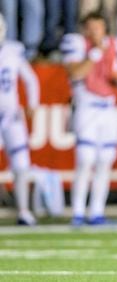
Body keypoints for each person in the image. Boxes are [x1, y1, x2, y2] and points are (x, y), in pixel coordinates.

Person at [60, 12, 117, 226]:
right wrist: (95, 53)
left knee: (105, 160)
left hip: (107, 107)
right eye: (91, 28)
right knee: (85, 159)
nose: (95, 32)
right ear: (84, 29)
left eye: (99, 27)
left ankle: (96, 212)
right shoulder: (76, 44)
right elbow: (76, 73)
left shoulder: (112, 45)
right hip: (86, 107)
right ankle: (78, 212)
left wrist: (116, 74)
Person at [0, 13, 40, 225]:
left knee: (21, 163)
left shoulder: (13, 50)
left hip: (11, 114)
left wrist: (32, 104)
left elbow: (31, 79)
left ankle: (24, 211)